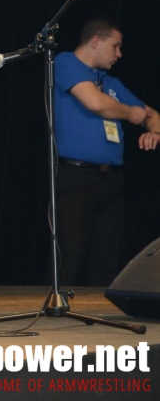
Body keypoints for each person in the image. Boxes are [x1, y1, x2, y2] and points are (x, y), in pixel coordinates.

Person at [54, 17, 160, 287]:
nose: (119, 54)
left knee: (105, 256)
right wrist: (130, 113)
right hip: (77, 178)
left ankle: (96, 320)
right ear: (96, 41)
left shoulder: (110, 82)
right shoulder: (66, 63)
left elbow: (153, 115)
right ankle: (53, 318)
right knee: (70, 255)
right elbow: (95, 103)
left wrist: (154, 131)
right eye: (116, 46)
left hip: (111, 180)